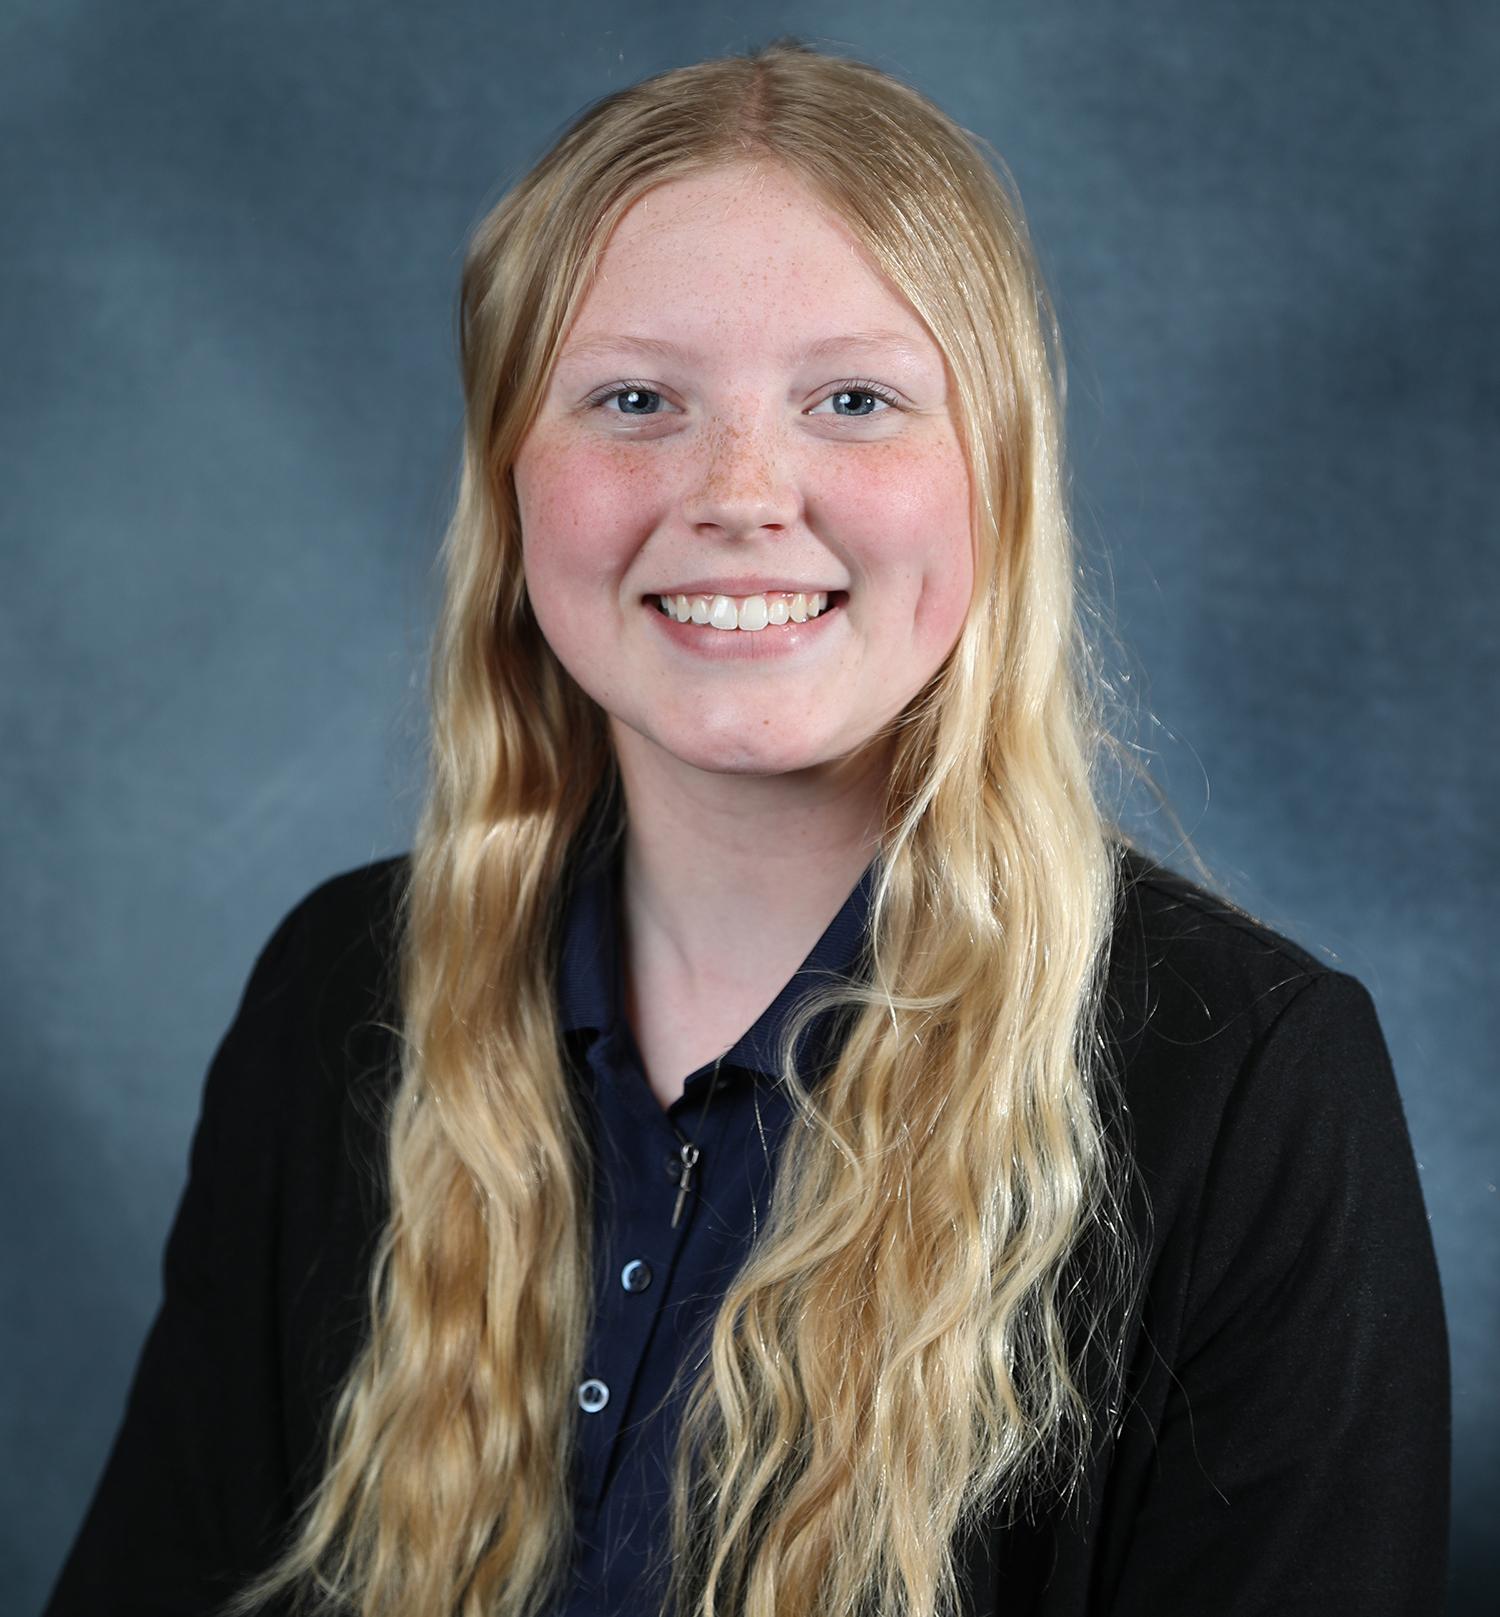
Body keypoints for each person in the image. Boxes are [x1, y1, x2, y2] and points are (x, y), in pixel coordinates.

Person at [44, 39, 1448, 1617]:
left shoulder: (1246, 1083)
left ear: (996, 476)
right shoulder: (334, 997)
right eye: (635, 398)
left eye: (854, 398)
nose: (738, 489)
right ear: (513, 485)